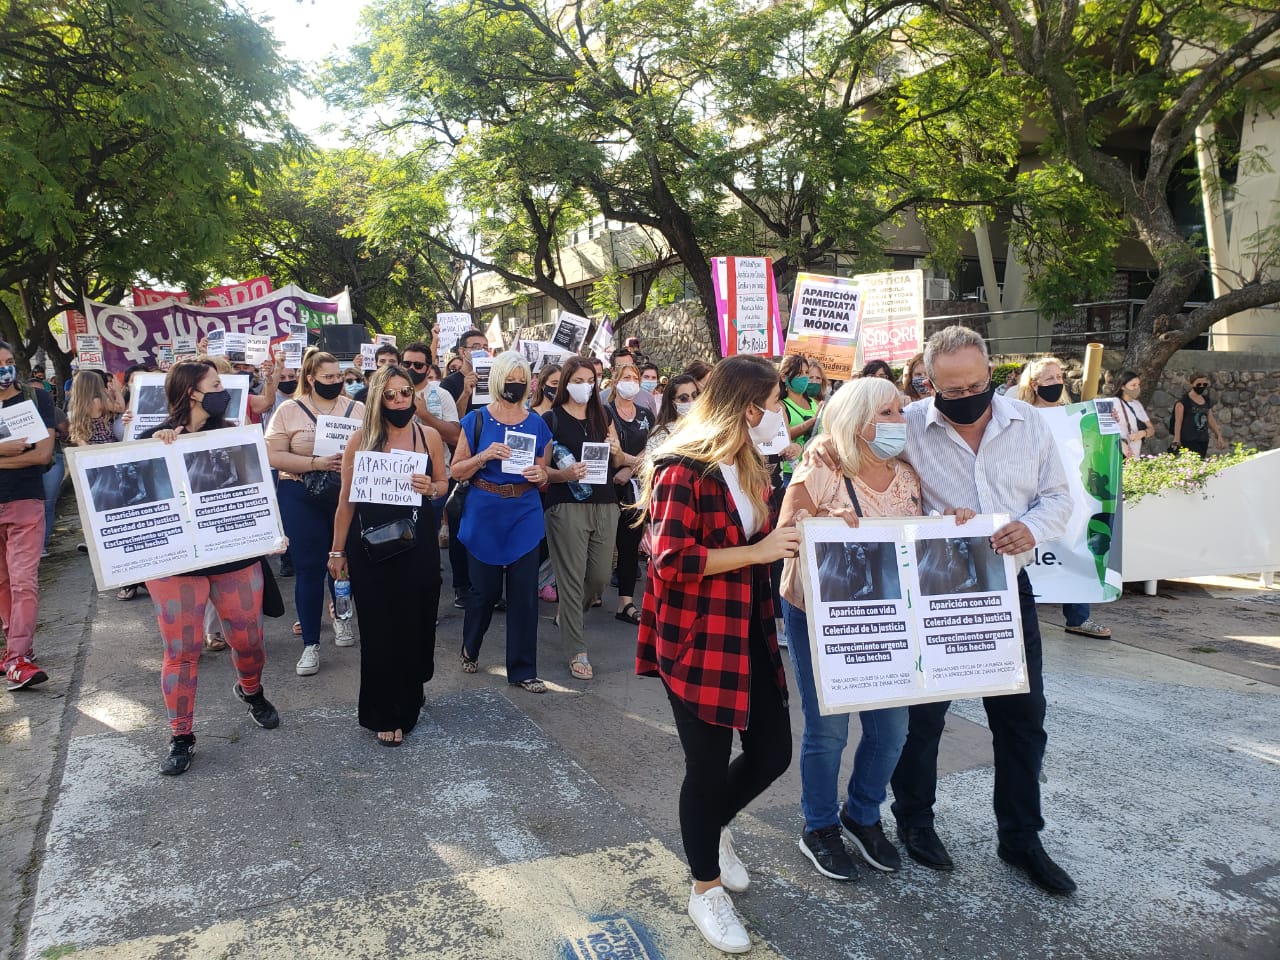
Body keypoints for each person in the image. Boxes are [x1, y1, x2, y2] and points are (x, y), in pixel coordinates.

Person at [884, 325, 1076, 895]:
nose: (963, 395)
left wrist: (1030, 528)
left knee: (1022, 723)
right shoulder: (910, 425)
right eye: (948, 387)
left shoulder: (1029, 424)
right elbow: (856, 469)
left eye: (973, 383)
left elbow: (1058, 496)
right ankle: (914, 823)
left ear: (990, 375)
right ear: (927, 382)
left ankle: (1021, 837)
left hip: (1004, 592)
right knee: (922, 722)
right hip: (932, 592)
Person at [635, 354, 798, 954]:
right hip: (698, 637)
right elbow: (671, 561)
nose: (784, 411)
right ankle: (704, 887)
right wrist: (759, 554)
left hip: (749, 629)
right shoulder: (683, 469)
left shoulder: (752, 463)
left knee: (772, 753)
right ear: (749, 406)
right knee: (706, 767)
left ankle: (713, 828)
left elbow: (769, 533)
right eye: (777, 401)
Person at [779, 377, 973, 882]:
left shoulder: (907, 473)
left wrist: (953, 521)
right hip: (822, 615)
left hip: (889, 616)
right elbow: (785, 530)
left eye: (900, 411)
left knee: (892, 730)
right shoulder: (823, 459)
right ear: (857, 417)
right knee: (829, 728)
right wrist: (822, 521)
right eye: (888, 412)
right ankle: (818, 826)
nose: (899, 421)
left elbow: (921, 535)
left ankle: (862, 814)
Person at [138, 360, 280, 774]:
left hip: (232, 554)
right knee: (182, 651)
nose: (225, 390)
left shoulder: (235, 435)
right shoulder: (152, 440)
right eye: (216, 384)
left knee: (248, 639)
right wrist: (157, 450)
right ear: (193, 392)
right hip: (176, 564)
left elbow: (256, 489)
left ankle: (251, 690)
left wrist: (270, 532)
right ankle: (180, 735)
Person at [329, 365, 447, 746]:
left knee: (416, 624)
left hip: (419, 545)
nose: (399, 400)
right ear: (377, 398)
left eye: (405, 393)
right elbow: (346, 501)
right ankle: (385, 711)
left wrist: (431, 488)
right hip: (371, 549)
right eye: (391, 394)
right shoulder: (361, 440)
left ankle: (413, 686)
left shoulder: (427, 435)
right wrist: (336, 550)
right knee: (380, 631)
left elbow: (444, 483)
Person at [451, 351, 552, 693]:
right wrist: (484, 455)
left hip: (524, 510)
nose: (516, 384)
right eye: (510, 377)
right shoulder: (477, 420)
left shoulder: (537, 423)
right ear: (497, 379)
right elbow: (456, 470)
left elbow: (544, 472)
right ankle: (470, 645)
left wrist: (541, 474)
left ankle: (523, 670)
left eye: (522, 379)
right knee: (485, 591)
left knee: (524, 594)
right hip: (484, 511)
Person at [266, 350, 364, 676]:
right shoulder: (288, 410)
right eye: (328, 377)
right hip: (299, 494)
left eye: (339, 376)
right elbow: (273, 456)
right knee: (309, 567)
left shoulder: (357, 409)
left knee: (343, 561)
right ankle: (310, 643)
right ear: (310, 378)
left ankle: (342, 618)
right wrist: (315, 464)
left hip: (344, 495)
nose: (335, 382)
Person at [1018, 357, 1111, 640]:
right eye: (1049, 379)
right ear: (1034, 385)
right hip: (1029, 496)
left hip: (1068, 496)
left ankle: (1078, 617)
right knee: (1028, 557)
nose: (1057, 383)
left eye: (1059, 377)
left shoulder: (1074, 416)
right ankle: (1021, 619)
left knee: (1074, 549)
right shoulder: (1021, 415)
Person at [543, 357, 623, 679]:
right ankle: (577, 649)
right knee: (572, 578)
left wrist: (616, 447)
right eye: (577, 380)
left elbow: (616, 456)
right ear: (565, 383)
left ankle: (569, 613)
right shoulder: (552, 419)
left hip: (605, 503)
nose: (585, 386)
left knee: (601, 576)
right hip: (566, 505)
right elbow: (541, 469)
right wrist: (563, 474)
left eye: (590, 380)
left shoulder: (603, 416)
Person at [0, 342, 56, 692]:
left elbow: (42, 455)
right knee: (3, 583)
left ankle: (18, 655)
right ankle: (14, 649)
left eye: (7, 362)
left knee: (23, 580)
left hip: (25, 502)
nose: (4, 369)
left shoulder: (35, 401)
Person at [605, 363, 653, 627]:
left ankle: (625, 602)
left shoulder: (646, 414)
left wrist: (629, 465)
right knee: (602, 546)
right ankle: (590, 595)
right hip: (609, 486)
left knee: (628, 545)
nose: (632, 382)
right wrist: (627, 463)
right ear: (615, 382)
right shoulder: (606, 412)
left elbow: (654, 447)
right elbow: (614, 452)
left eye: (635, 377)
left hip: (635, 488)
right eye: (626, 377)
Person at [779, 355, 820, 484]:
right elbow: (782, 437)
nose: (804, 377)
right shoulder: (781, 406)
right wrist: (809, 424)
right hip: (792, 472)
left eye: (806, 372)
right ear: (784, 377)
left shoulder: (814, 403)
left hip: (814, 469)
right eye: (798, 374)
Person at [644, 374, 700, 458]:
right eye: (684, 398)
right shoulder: (661, 434)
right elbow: (650, 466)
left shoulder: (707, 427)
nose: (691, 401)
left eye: (695, 395)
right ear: (673, 402)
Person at [440, 329, 491, 419]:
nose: (482, 351)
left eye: (485, 347)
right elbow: (451, 420)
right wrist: (466, 393)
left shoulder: (494, 379)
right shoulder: (448, 383)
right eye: (476, 347)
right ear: (463, 352)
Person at [1170, 374, 1224, 458]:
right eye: (1198, 384)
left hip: (1203, 440)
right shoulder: (1183, 402)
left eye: (1204, 384)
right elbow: (1178, 421)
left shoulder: (1206, 400)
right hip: (1188, 440)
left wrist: (1219, 435)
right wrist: (1177, 439)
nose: (1201, 386)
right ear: (1191, 384)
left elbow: (1210, 418)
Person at [67, 370, 124, 446]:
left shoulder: (76, 404)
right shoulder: (97, 401)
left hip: (91, 443)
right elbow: (120, 407)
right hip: (106, 443)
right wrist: (117, 391)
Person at [1114, 370, 1153, 459]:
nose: (1137, 388)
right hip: (1121, 454)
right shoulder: (1114, 402)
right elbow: (1104, 426)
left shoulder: (1137, 404)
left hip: (1135, 454)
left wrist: (1143, 433)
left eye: (1138, 385)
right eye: (1133, 385)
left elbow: (1151, 429)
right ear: (1123, 387)